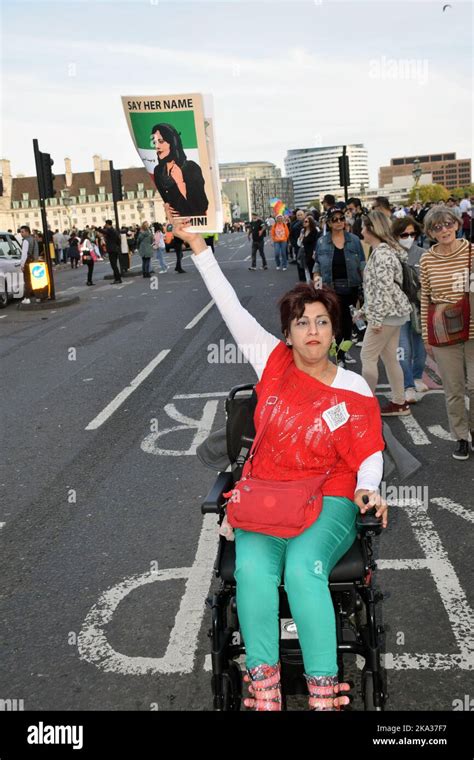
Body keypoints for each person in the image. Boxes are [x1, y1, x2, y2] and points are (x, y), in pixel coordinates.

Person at [165, 203, 387, 712]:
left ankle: (323, 690)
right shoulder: (272, 360)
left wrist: (367, 486)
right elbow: (230, 308)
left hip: (329, 493)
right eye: (302, 323)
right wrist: (200, 250)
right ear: (287, 333)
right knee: (253, 573)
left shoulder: (352, 387)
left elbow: (367, 451)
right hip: (268, 491)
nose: (312, 331)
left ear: (335, 332)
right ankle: (264, 688)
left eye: (323, 322)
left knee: (304, 569)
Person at [419, 207, 474, 460]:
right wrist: (425, 336)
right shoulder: (427, 259)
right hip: (443, 331)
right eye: (437, 227)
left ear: (456, 224)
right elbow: (425, 299)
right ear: (430, 232)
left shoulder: (471, 251)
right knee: (453, 389)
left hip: (473, 329)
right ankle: (461, 437)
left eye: (447, 224)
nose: (444, 230)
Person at [359, 211, 412, 416]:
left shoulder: (381, 254)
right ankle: (400, 402)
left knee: (368, 356)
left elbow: (383, 289)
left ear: (372, 229)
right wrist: (364, 310)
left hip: (387, 314)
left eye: (364, 227)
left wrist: (376, 319)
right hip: (393, 312)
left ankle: (366, 403)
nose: (361, 230)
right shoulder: (384, 251)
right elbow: (378, 289)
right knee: (390, 358)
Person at [312, 207, 365, 367]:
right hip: (330, 288)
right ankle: (339, 355)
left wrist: (367, 286)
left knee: (348, 321)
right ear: (328, 222)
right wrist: (318, 287)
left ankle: (342, 353)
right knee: (335, 320)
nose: (339, 222)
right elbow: (317, 266)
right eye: (334, 219)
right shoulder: (322, 242)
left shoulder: (354, 240)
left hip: (351, 286)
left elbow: (362, 264)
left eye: (341, 218)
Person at [392, 217, 428, 404]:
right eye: (404, 234)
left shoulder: (424, 254)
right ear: (396, 235)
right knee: (403, 348)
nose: (409, 237)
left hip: (419, 308)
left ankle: (417, 377)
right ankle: (408, 386)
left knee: (421, 347)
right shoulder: (390, 254)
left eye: (412, 234)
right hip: (398, 310)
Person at [151, 123, 208, 217]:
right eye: (154, 142)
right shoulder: (158, 171)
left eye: (161, 141)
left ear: (173, 143)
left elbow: (202, 205)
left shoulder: (191, 167)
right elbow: (166, 200)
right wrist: (166, 208)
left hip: (194, 221)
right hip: (176, 223)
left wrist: (180, 183)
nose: (157, 146)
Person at [19, 225, 39, 304]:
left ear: (27, 232)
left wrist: (22, 265)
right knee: (35, 280)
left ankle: (27, 298)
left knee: (27, 280)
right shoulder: (34, 240)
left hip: (28, 263)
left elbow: (24, 254)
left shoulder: (25, 241)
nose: (21, 233)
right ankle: (38, 296)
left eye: (22, 232)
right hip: (35, 262)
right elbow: (36, 251)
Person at [299, 214, 320, 283]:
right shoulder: (303, 231)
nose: (304, 223)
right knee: (308, 272)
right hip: (306, 254)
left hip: (313, 254)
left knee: (316, 273)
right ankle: (311, 289)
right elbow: (300, 243)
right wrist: (301, 238)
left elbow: (317, 242)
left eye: (306, 221)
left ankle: (318, 290)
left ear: (310, 222)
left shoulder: (314, 231)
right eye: (304, 222)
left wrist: (315, 252)